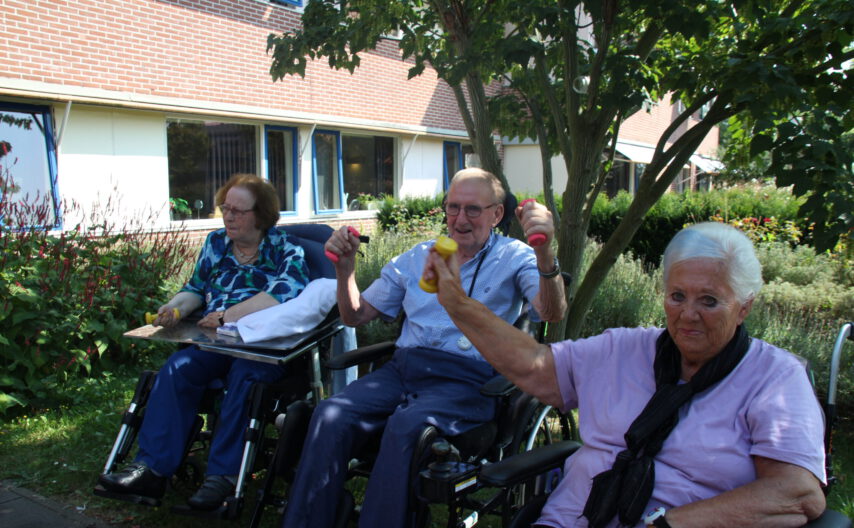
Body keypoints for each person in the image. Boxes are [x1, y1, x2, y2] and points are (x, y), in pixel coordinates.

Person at [429, 221, 827, 527]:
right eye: (677, 296)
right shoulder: (624, 349)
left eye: (709, 300)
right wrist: (458, 304)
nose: (688, 314)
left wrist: (670, 524)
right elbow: (534, 366)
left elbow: (797, 493)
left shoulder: (774, 378)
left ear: (744, 307)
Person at [281, 168, 567, 528]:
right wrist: (346, 271)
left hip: (469, 379)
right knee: (331, 414)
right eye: (453, 208)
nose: (460, 219)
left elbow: (552, 312)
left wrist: (544, 253)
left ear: (497, 214)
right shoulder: (418, 258)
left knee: (408, 425)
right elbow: (355, 315)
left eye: (473, 210)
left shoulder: (515, 257)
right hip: (404, 370)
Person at [98, 174, 310, 510]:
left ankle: (223, 478)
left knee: (245, 378)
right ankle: (151, 469)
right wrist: (174, 308)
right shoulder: (215, 244)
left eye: (239, 211)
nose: (229, 216)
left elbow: (286, 293)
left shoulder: (286, 250)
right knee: (176, 369)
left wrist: (230, 314)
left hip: (260, 348)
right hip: (213, 342)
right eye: (226, 208)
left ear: (261, 214)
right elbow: (196, 288)